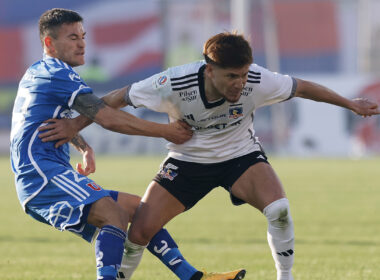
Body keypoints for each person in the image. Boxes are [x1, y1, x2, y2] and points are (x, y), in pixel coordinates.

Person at [40, 31, 380, 280]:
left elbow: (302, 87)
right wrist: (75, 126)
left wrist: (350, 104)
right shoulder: (172, 83)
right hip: (187, 162)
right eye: (232, 77)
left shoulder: (257, 80)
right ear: (209, 70)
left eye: (244, 75)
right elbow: (117, 97)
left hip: (241, 156)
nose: (240, 84)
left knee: (278, 209)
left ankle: (285, 276)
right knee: (140, 231)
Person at [10, 9, 246, 280]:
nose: (82, 43)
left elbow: (46, 122)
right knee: (114, 215)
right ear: (49, 43)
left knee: (142, 212)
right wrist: (165, 131)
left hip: (43, 175)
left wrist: (82, 145)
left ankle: (192, 276)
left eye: (83, 36)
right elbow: (108, 117)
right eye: (72, 37)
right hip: (42, 175)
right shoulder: (58, 73)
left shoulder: (40, 71)